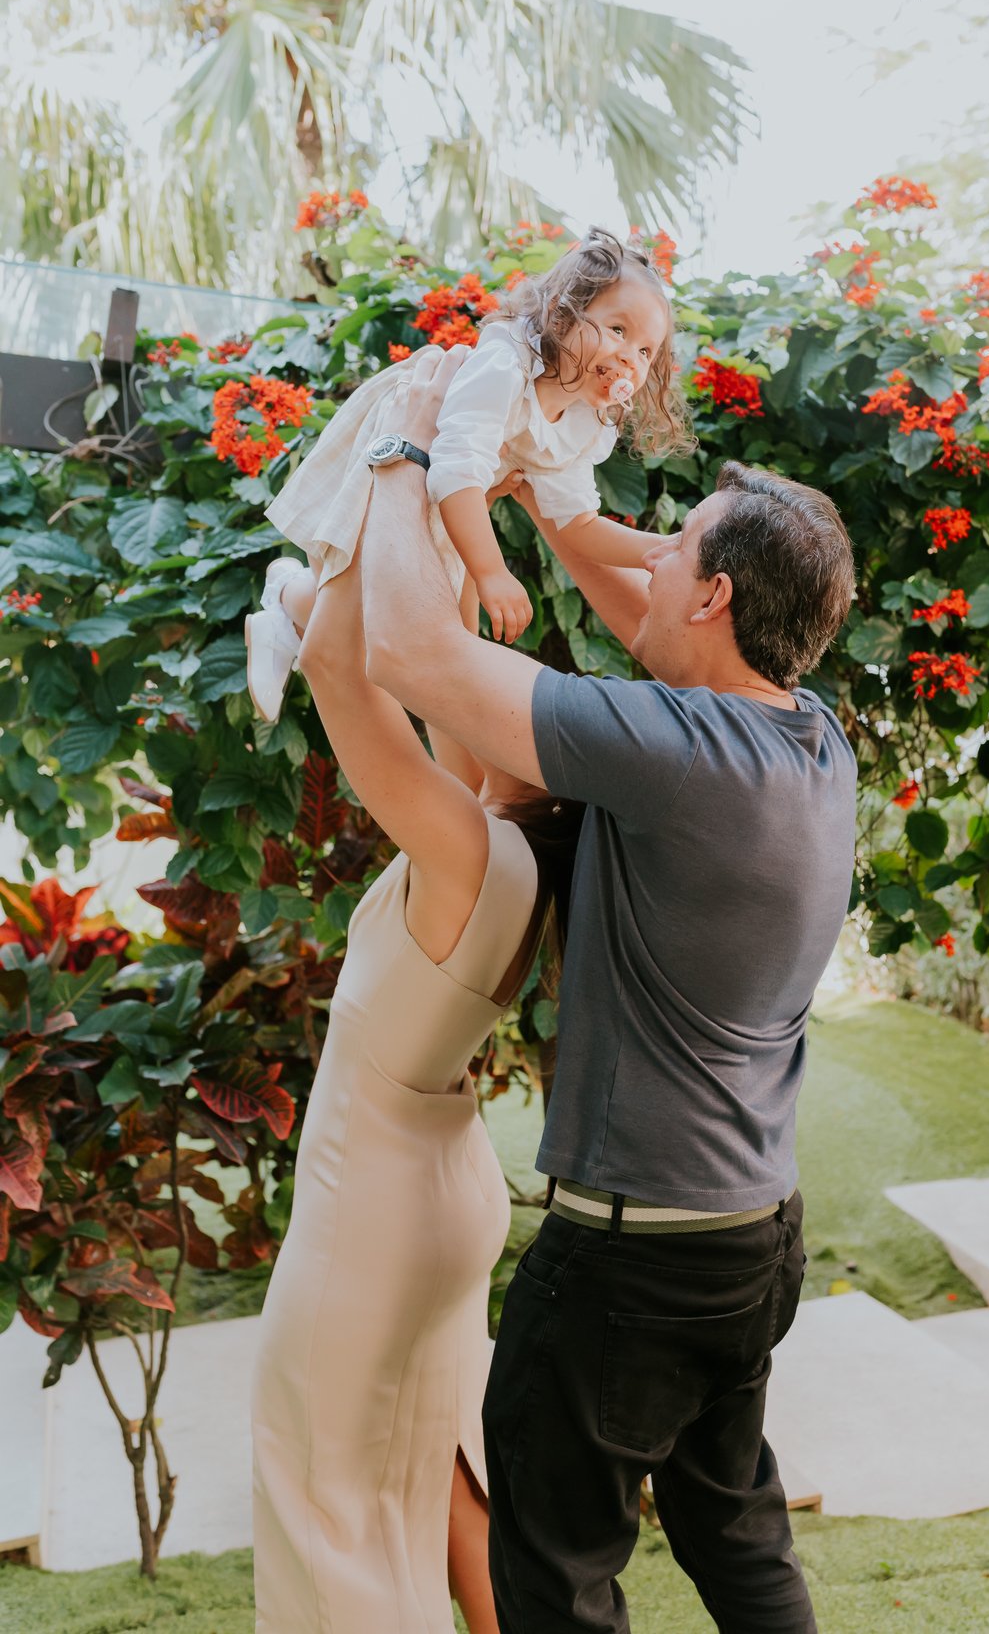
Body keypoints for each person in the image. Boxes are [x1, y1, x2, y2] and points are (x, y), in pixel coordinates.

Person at [358, 343, 858, 1634]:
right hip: (750, 1242)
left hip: (631, 1272)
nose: (651, 552)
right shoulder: (811, 741)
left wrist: (416, 454)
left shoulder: (676, 755)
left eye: (675, 545)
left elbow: (411, 650)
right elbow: (612, 571)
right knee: (737, 1537)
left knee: (555, 1577)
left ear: (716, 599)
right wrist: (531, 494)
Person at [250, 512, 582, 1634]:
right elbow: (422, 686)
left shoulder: (464, 847)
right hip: (440, 1193)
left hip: (374, 1210)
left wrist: (372, 502)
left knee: (328, 1507)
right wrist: (437, 563)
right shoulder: (517, 858)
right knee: (442, 1474)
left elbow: (354, 677)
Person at [245, 229, 692, 721]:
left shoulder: (584, 422)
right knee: (361, 614)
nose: (632, 357)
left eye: (648, 351)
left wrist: (669, 550)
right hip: (399, 458)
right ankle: (287, 596)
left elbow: (578, 525)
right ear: (563, 313)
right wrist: (491, 573)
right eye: (619, 330)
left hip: (450, 500)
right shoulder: (507, 365)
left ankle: (284, 607)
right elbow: (456, 470)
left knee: (415, 633)